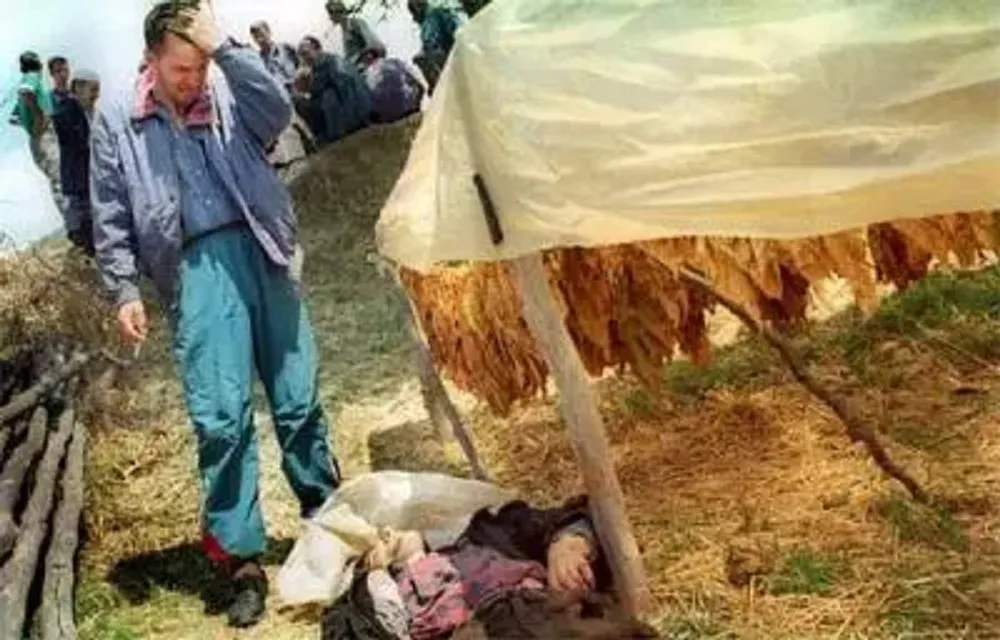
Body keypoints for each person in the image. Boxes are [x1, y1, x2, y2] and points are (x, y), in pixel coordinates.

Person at [91, 1, 341, 628]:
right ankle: (242, 560)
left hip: (263, 247)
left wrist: (223, 49)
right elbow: (110, 209)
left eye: (200, 65)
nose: (193, 79)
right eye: (181, 69)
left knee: (297, 397)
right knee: (222, 419)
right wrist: (124, 288)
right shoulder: (116, 116)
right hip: (195, 268)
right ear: (151, 61)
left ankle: (327, 518)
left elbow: (277, 110)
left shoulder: (228, 82)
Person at [322, 497, 658, 639]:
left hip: (545, 614)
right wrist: (368, 582)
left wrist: (570, 541)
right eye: (376, 540)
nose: (387, 533)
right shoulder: (376, 598)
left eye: (390, 526)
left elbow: (575, 513)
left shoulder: (487, 532)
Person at [51, 65, 100, 255]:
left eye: (97, 90)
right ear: (78, 88)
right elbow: (80, 145)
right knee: (86, 234)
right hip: (79, 187)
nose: (96, 95)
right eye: (92, 89)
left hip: (88, 185)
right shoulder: (67, 112)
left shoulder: (88, 112)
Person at [297, 36, 371, 145]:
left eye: (306, 53)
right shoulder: (320, 67)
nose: (305, 58)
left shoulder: (332, 63)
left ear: (317, 49)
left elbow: (346, 89)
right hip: (354, 113)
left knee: (328, 96)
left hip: (353, 115)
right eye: (302, 55)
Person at [13, 52, 60, 191]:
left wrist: (31, 122)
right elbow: (26, 92)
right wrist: (39, 117)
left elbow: (14, 118)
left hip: (40, 135)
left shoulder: (26, 80)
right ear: (38, 65)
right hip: (43, 135)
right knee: (58, 177)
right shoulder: (32, 77)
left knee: (55, 177)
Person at [408, 0, 466, 92]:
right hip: (440, 68)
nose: (414, 19)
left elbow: (459, 30)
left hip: (452, 60)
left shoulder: (439, 11)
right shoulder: (425, 25)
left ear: (418, 7)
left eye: (413, 12)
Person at [325, 0, 386, 71]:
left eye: (331, 13)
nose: (330, 17)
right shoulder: (345, 31)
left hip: (368, 66)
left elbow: (374, 44)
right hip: (355, 68)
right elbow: (349, 56)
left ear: (338, 12)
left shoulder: (355, 23)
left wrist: (366, 56)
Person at [363, 56, 424, 124]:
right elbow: (420, 87)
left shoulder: (366, 74)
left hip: (383, 117)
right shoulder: (396, 62)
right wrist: (416, 106)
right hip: (406, 110)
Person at [249, 20, 298, 89]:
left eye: (262, 35)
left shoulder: (287, 48)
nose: (260, 40)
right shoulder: (258, 61)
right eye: (256, 37)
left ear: (269, 32)